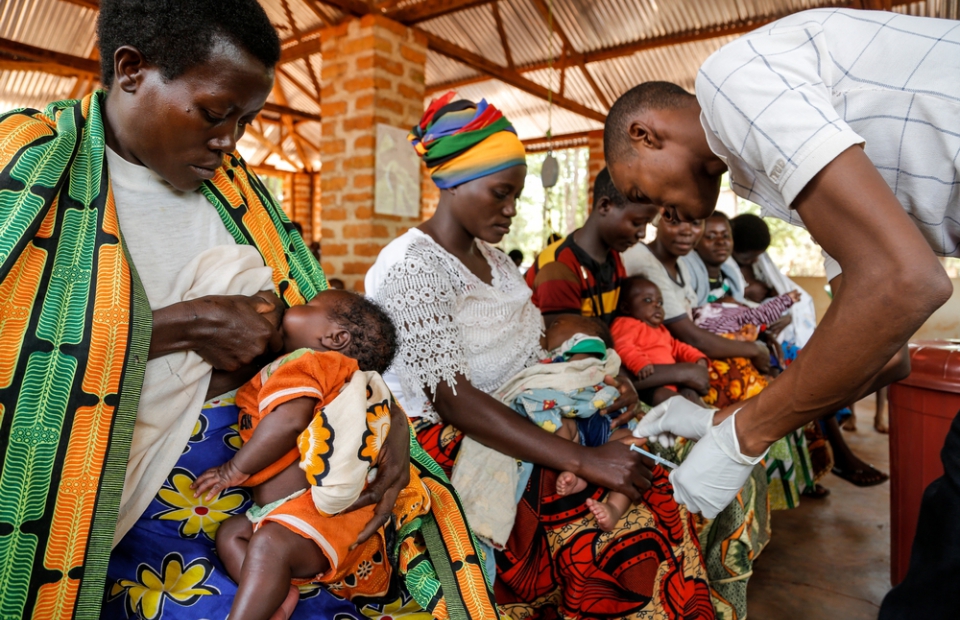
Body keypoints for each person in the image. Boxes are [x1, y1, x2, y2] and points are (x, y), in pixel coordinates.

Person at [0, 2, 489, 619]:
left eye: (246, 119)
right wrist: (179, 327)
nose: (231, 140)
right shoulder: (28, 166)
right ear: (131, 70)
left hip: (265, 478)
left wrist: (376, 402)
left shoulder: (237, 190)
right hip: (108, 496)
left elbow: (319, 332)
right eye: (213, 112)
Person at [602, 9, 958, 618]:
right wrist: (725, 419)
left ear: (644, 133)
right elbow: (885, 351)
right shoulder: (784, 163)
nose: (655, 213)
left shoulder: (733, 82)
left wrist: (746, 435)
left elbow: (904, 285)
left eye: (640, 193)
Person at [366, 93, 712, 619]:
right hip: (454, 434)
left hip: (529, 410)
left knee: (657, 481)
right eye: (501, 193)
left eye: (517, 196)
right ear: (452, 182)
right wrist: (583, 457)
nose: (511, 209)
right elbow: (453, 400)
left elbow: (532, 350)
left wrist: (594, 387)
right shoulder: (412, 267)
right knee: (618, 536)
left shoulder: (497, 261)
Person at [191, 290, 435, 620]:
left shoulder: (310, 363)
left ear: (335, 337)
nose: (291, 305)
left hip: (315, 517)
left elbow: (289, 422)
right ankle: (276, 594)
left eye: (307, 306)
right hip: (285, 516)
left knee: (265, 544)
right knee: (232, 533)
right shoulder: (325, 372)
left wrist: (232, 470)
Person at [731, 213, 886, 488]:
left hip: (769, 341)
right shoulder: (725, 268)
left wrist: (783, 318)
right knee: (807, 385)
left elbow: (784, 301)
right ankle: (832, 459)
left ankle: (815, 470)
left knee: (818, 377)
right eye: (747, 258)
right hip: (750, 344)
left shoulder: (756, 269)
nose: (754, 262)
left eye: (757, 257)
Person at [526, 167, 657, 326]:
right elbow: (565, 344)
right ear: (604, 206)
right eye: (637, 223)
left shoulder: (614, 258)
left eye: (647, 224)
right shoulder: (558, 266)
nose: (642, 234)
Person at [611, 276, 710, 406]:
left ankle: (706, 419)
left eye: (660, 302)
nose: (656, 305)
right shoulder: (626, 323)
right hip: (650, 384)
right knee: (671, 400)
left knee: (691, 396)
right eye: (648, 300)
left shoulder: (661, 330)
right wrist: (638, 363)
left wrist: (697, 357)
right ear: (626, 308)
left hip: (672, 382)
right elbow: (622, 346)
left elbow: (677, 347)